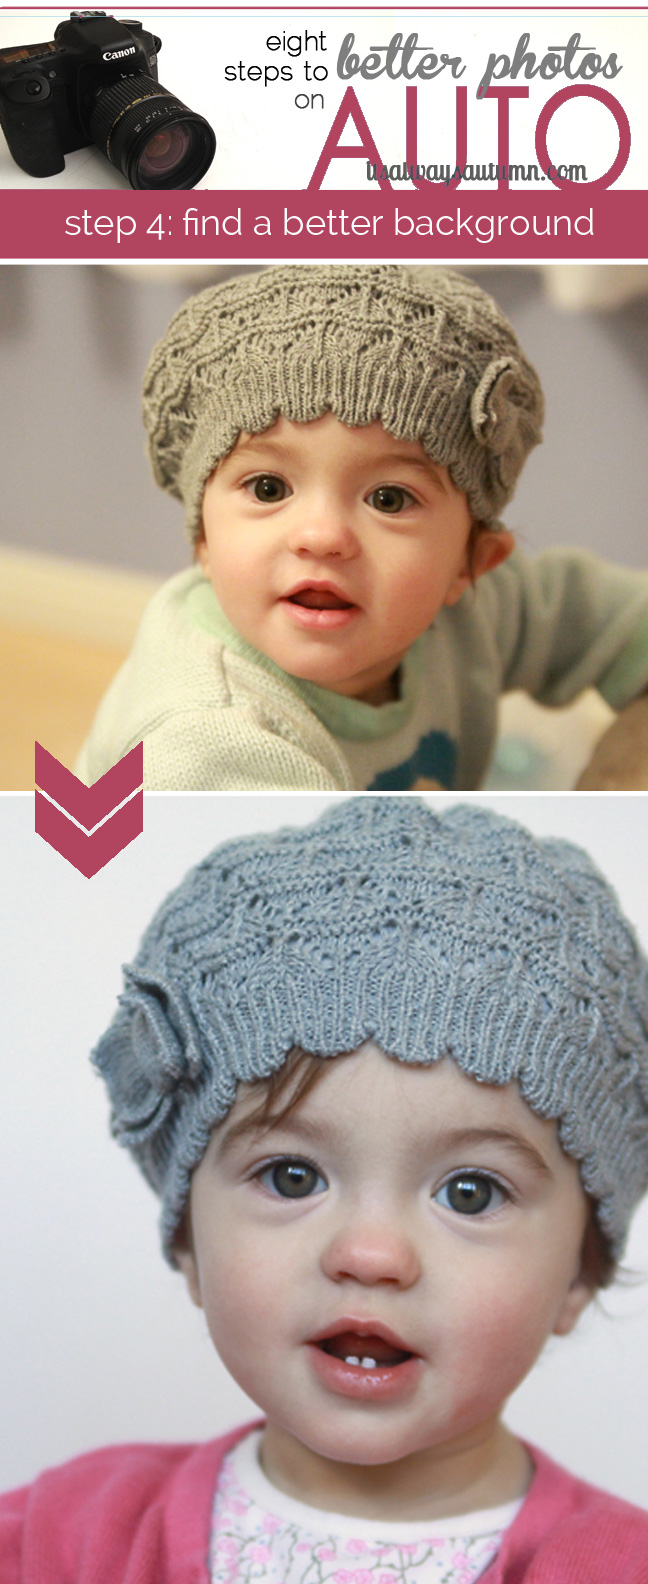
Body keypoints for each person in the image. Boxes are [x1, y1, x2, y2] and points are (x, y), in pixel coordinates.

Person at [2, 795, 647, 1582]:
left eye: (471, 1193)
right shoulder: (62, 1537)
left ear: (580, 1270)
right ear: (188, 1241)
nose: (370, 1255)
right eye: (292, 1176)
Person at [75, 265, 648, 792]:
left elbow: (619, 618)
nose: (321, 536)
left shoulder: (477, 607)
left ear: (471, 566)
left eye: (389, 499)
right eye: (269, 488)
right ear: (202, 537)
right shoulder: (207, 741)